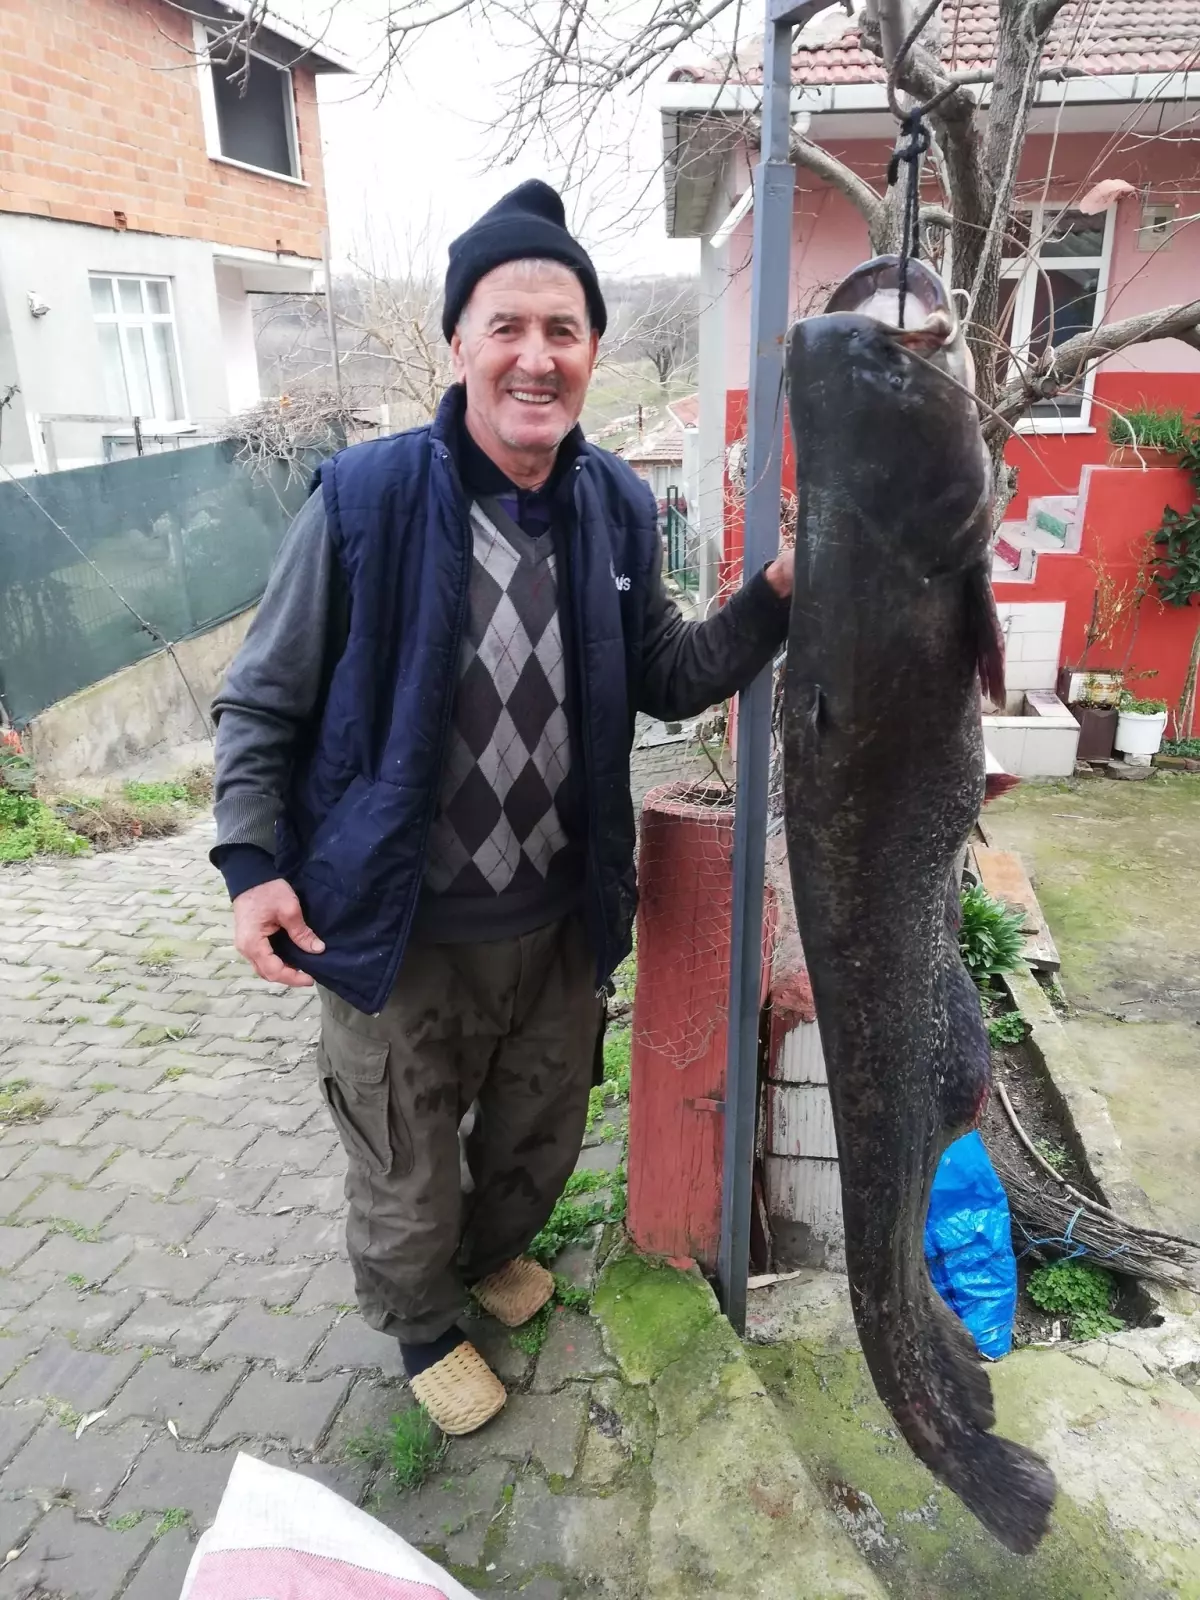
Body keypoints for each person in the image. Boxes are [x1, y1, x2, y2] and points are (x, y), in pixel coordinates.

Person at [210, 180, 794, 1436]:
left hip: (557, 918)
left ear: (593, 349)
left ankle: (487, 1260)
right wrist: (253, 862)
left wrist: (776, 598)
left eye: (563, 329)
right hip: (400, 923)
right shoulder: (364, 500)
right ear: (458, 343)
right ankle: (421, 1320)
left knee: (538, 1133)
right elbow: (261, 698)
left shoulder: (615, 507)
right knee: (406, 1153)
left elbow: (667, 672)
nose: (537, 356)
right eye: (507, 326)